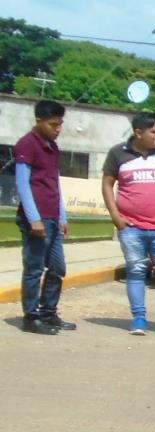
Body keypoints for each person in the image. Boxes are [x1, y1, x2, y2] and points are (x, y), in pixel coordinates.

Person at [101, 112, 155, 337]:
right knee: (136, 272)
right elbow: (107, 184)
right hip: (132, 229)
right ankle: (139, 318)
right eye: (154, 131)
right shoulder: (118, 154)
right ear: (138, 133)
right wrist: (116, 216)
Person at [14, 100, 75, 336]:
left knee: (57, 268)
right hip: (36, 219)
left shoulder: (52, 146)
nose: (57, 129)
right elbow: (22, 183)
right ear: (39, 120)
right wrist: (34, 218)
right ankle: (31, 317)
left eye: (60, 124)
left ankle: (49, 313)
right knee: (34, 269)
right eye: (53, 124)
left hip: (52, 216)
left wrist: (62, 215)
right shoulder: (27, 145)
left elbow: (54, 183)